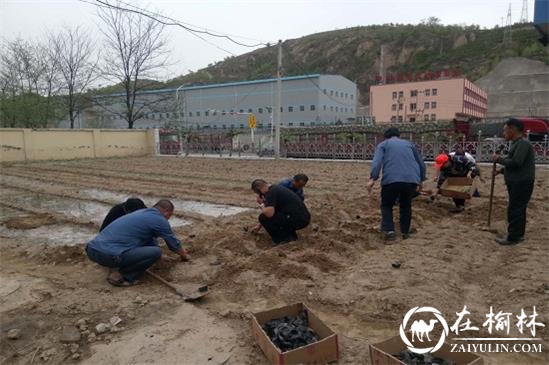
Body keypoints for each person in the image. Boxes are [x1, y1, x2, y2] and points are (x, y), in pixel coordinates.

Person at [86, 200, 190, 286]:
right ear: (167, 212)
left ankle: (116, 263)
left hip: (92, 251)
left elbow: (148, 240)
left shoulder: (140, 213)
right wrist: (185, 256)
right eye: (169, 216)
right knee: (156, 251)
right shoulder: (160, 220)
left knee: (154, 251)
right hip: (109, 256)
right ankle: (124, 276)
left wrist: (161, 257)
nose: (168, 219)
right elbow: (173, 244)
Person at [367, 127, 426, 241]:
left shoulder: (384, 145)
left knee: (386, 205)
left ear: (386, 136)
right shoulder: (410, 144)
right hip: (411, 180)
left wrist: (372, 178)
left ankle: (390, 231)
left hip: (391, 180)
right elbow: (420, 163)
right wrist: (421, 180)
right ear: (399, 135)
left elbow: (377, 162)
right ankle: (405, 232)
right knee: (406, 205)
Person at [493, 118, 536, 245]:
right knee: (518, 208)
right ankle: (518, 234)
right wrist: (501, 171)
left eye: (505, 130)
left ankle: (513, 237)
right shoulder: (517, 143)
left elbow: (516, 162)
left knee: (515, 209)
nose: (504, 133)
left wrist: (499, 159)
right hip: (518, 181)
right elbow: (513, 163)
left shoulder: (523, 144)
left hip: (521, 182)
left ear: (513, 129)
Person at [251, 179, 311, 245]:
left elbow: (269, 214)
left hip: (297, 219)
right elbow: (274, 211)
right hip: (303, 218)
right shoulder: (275, 188)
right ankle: (291, 237)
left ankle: (282, 240)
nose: (259, 195)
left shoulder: (270, 193)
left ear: (260, 189)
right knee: (278, 217)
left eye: (257, 193)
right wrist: (258, 226)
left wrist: (261, 204)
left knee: (263, 218)